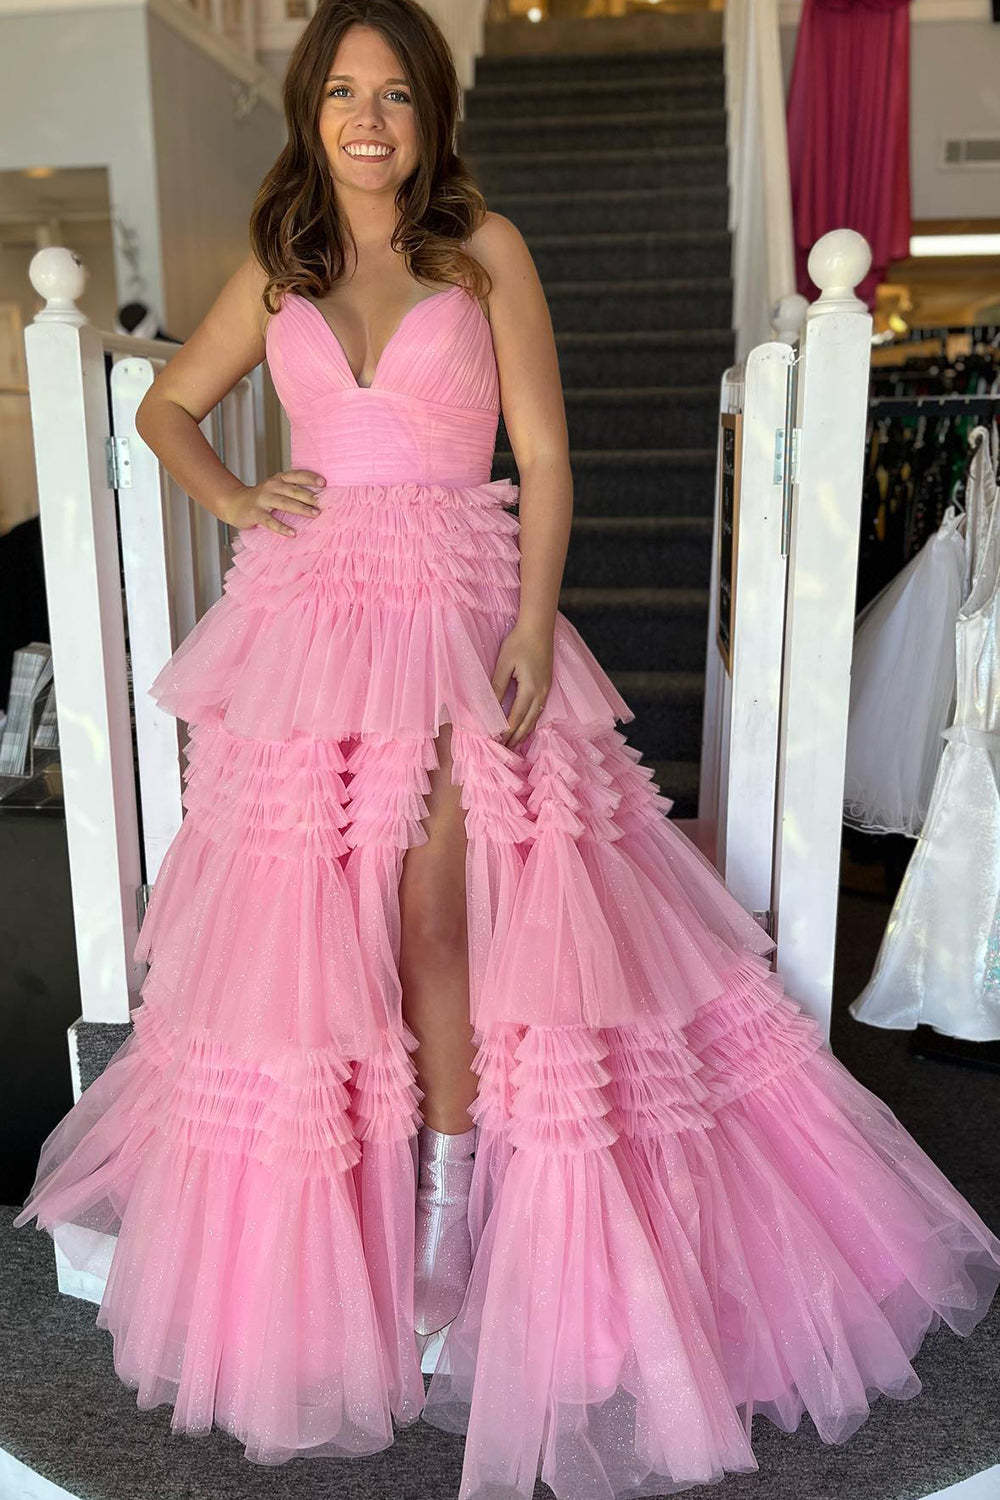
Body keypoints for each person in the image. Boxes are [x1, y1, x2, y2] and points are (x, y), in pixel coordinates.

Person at [14, 3, 1000, 1496]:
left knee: (435, 905)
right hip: (314, 623)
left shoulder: (487, 252)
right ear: (308, 110)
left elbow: (543, 453)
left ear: (433, 113)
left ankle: (448, 1204)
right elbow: (161, 404)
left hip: (463, 609)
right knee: (317, 921)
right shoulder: (276, 267)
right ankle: (354, 1203)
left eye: (394, 94)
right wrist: (236, 499)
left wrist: (536, 623)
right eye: (341, 92)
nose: (367, 120)